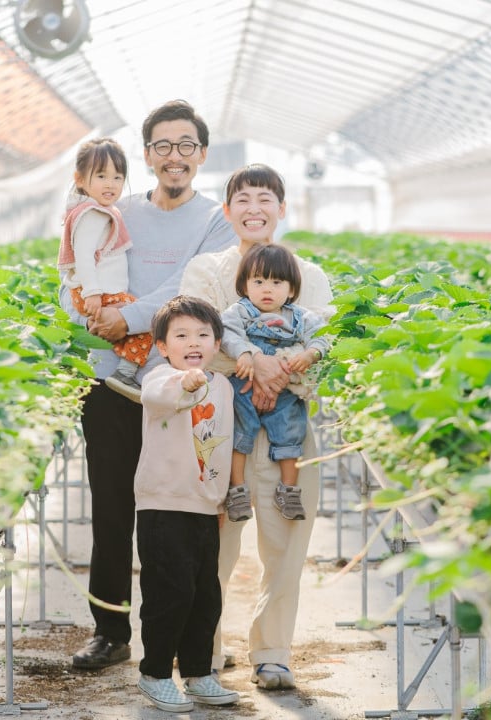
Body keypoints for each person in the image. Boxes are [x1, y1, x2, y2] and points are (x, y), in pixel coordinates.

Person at [62, 100, 237, 671]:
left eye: (186, 145)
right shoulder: (117, 208)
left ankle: (184, 638)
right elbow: (79, 267)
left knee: (176, 517)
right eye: (162, 146)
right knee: (111, 510)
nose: (174, 156)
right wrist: (86, 313)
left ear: (202, 154)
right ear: (146, 155)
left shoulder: (216, 219)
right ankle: (109, 631)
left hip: (180, 387)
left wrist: (131, 317)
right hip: (111, 382)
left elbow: (194, 286)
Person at [178, 163, 334, 691]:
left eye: (265, 199)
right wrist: (260, 366)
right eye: (242, 199)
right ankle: (207, 646)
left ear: (281, 209)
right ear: (227, 211)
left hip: (288, 421)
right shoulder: (205, 271)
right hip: (219, 423)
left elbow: (323, 351)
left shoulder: (309, 274)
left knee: (285, 539)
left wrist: (269, 370)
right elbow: (195, 343)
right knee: (214, 536)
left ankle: (272, 652)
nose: (254, 209)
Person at [134, 295, 239, 712]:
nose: (193, 341)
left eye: (202, 334)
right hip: (164, 506)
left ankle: (198, 674)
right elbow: (170, 391)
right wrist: (190, 380)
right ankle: (154, 673)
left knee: (204, 595)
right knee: (168, 593)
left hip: (204, 506)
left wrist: (224, 497)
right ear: (163, 346)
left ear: (217, 342)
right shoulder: (159, 379)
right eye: (181, 335)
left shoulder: (225, 386)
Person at [220, 243, 330, 523]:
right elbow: (226, 333)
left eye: (276, 282)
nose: (266, 289)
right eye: (258, 281)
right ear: (245, 286)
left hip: (284, 391)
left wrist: (310, 353)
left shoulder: (301, 317)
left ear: (291, 290)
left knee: (291, 431)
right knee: (239, 431)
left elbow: (323, 337)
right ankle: (237, 489)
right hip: (245, 386)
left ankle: (289, 489)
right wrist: (246, 353)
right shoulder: (240, 311)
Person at [57, 137, 152, 400]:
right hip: (99, 293)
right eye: (101, 175)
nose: (110, 184)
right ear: (80, 179)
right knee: (144, 322)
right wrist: (93, 293)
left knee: (133, 320)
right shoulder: (93, 214)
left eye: (118, 177)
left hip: (97, 291)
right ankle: (125, 373)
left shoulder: (94, 210)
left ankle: (121, 371)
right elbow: (84, 257)